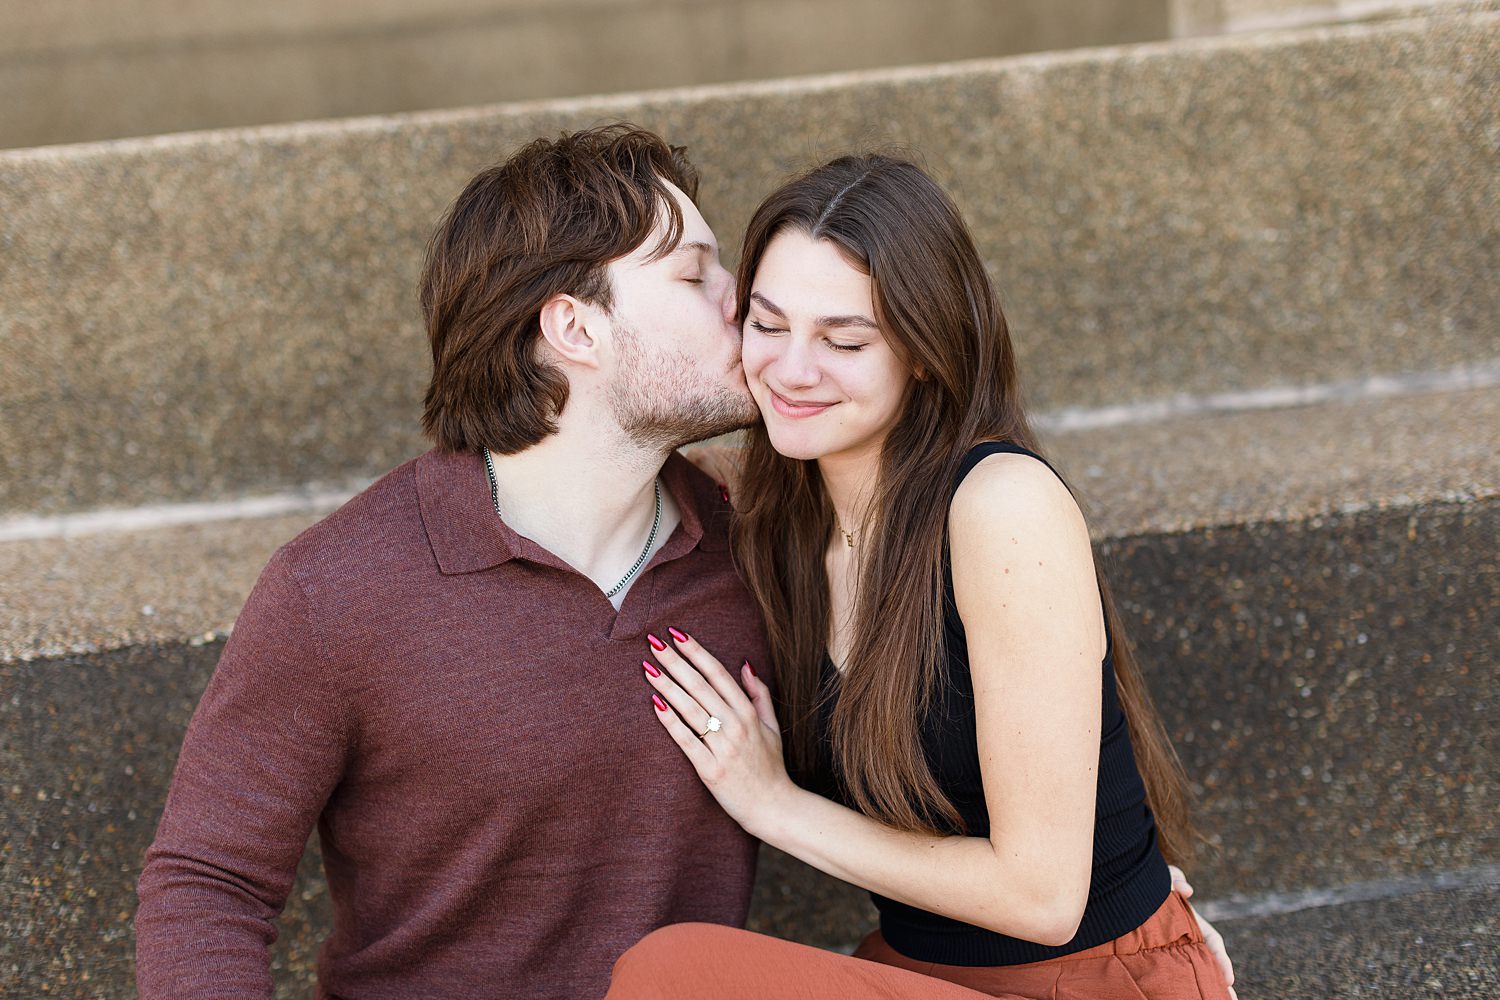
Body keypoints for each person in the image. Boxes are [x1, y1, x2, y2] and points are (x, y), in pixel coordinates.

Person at [134, 124, 768, 999]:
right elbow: (205, 886)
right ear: (574, 328)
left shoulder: (751, 554)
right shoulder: (339, 590)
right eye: (697, 275)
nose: (746, 298)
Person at [611, 155, 1238, 998]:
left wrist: (774, 805)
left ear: (927, 352)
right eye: (766, 325)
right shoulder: (769, 505)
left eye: (844, 341)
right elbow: (594, 451)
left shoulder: (999, 507)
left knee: (675, 976)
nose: (792, 371)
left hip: (1081, 981)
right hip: (918, 974)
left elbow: (1046, 898)